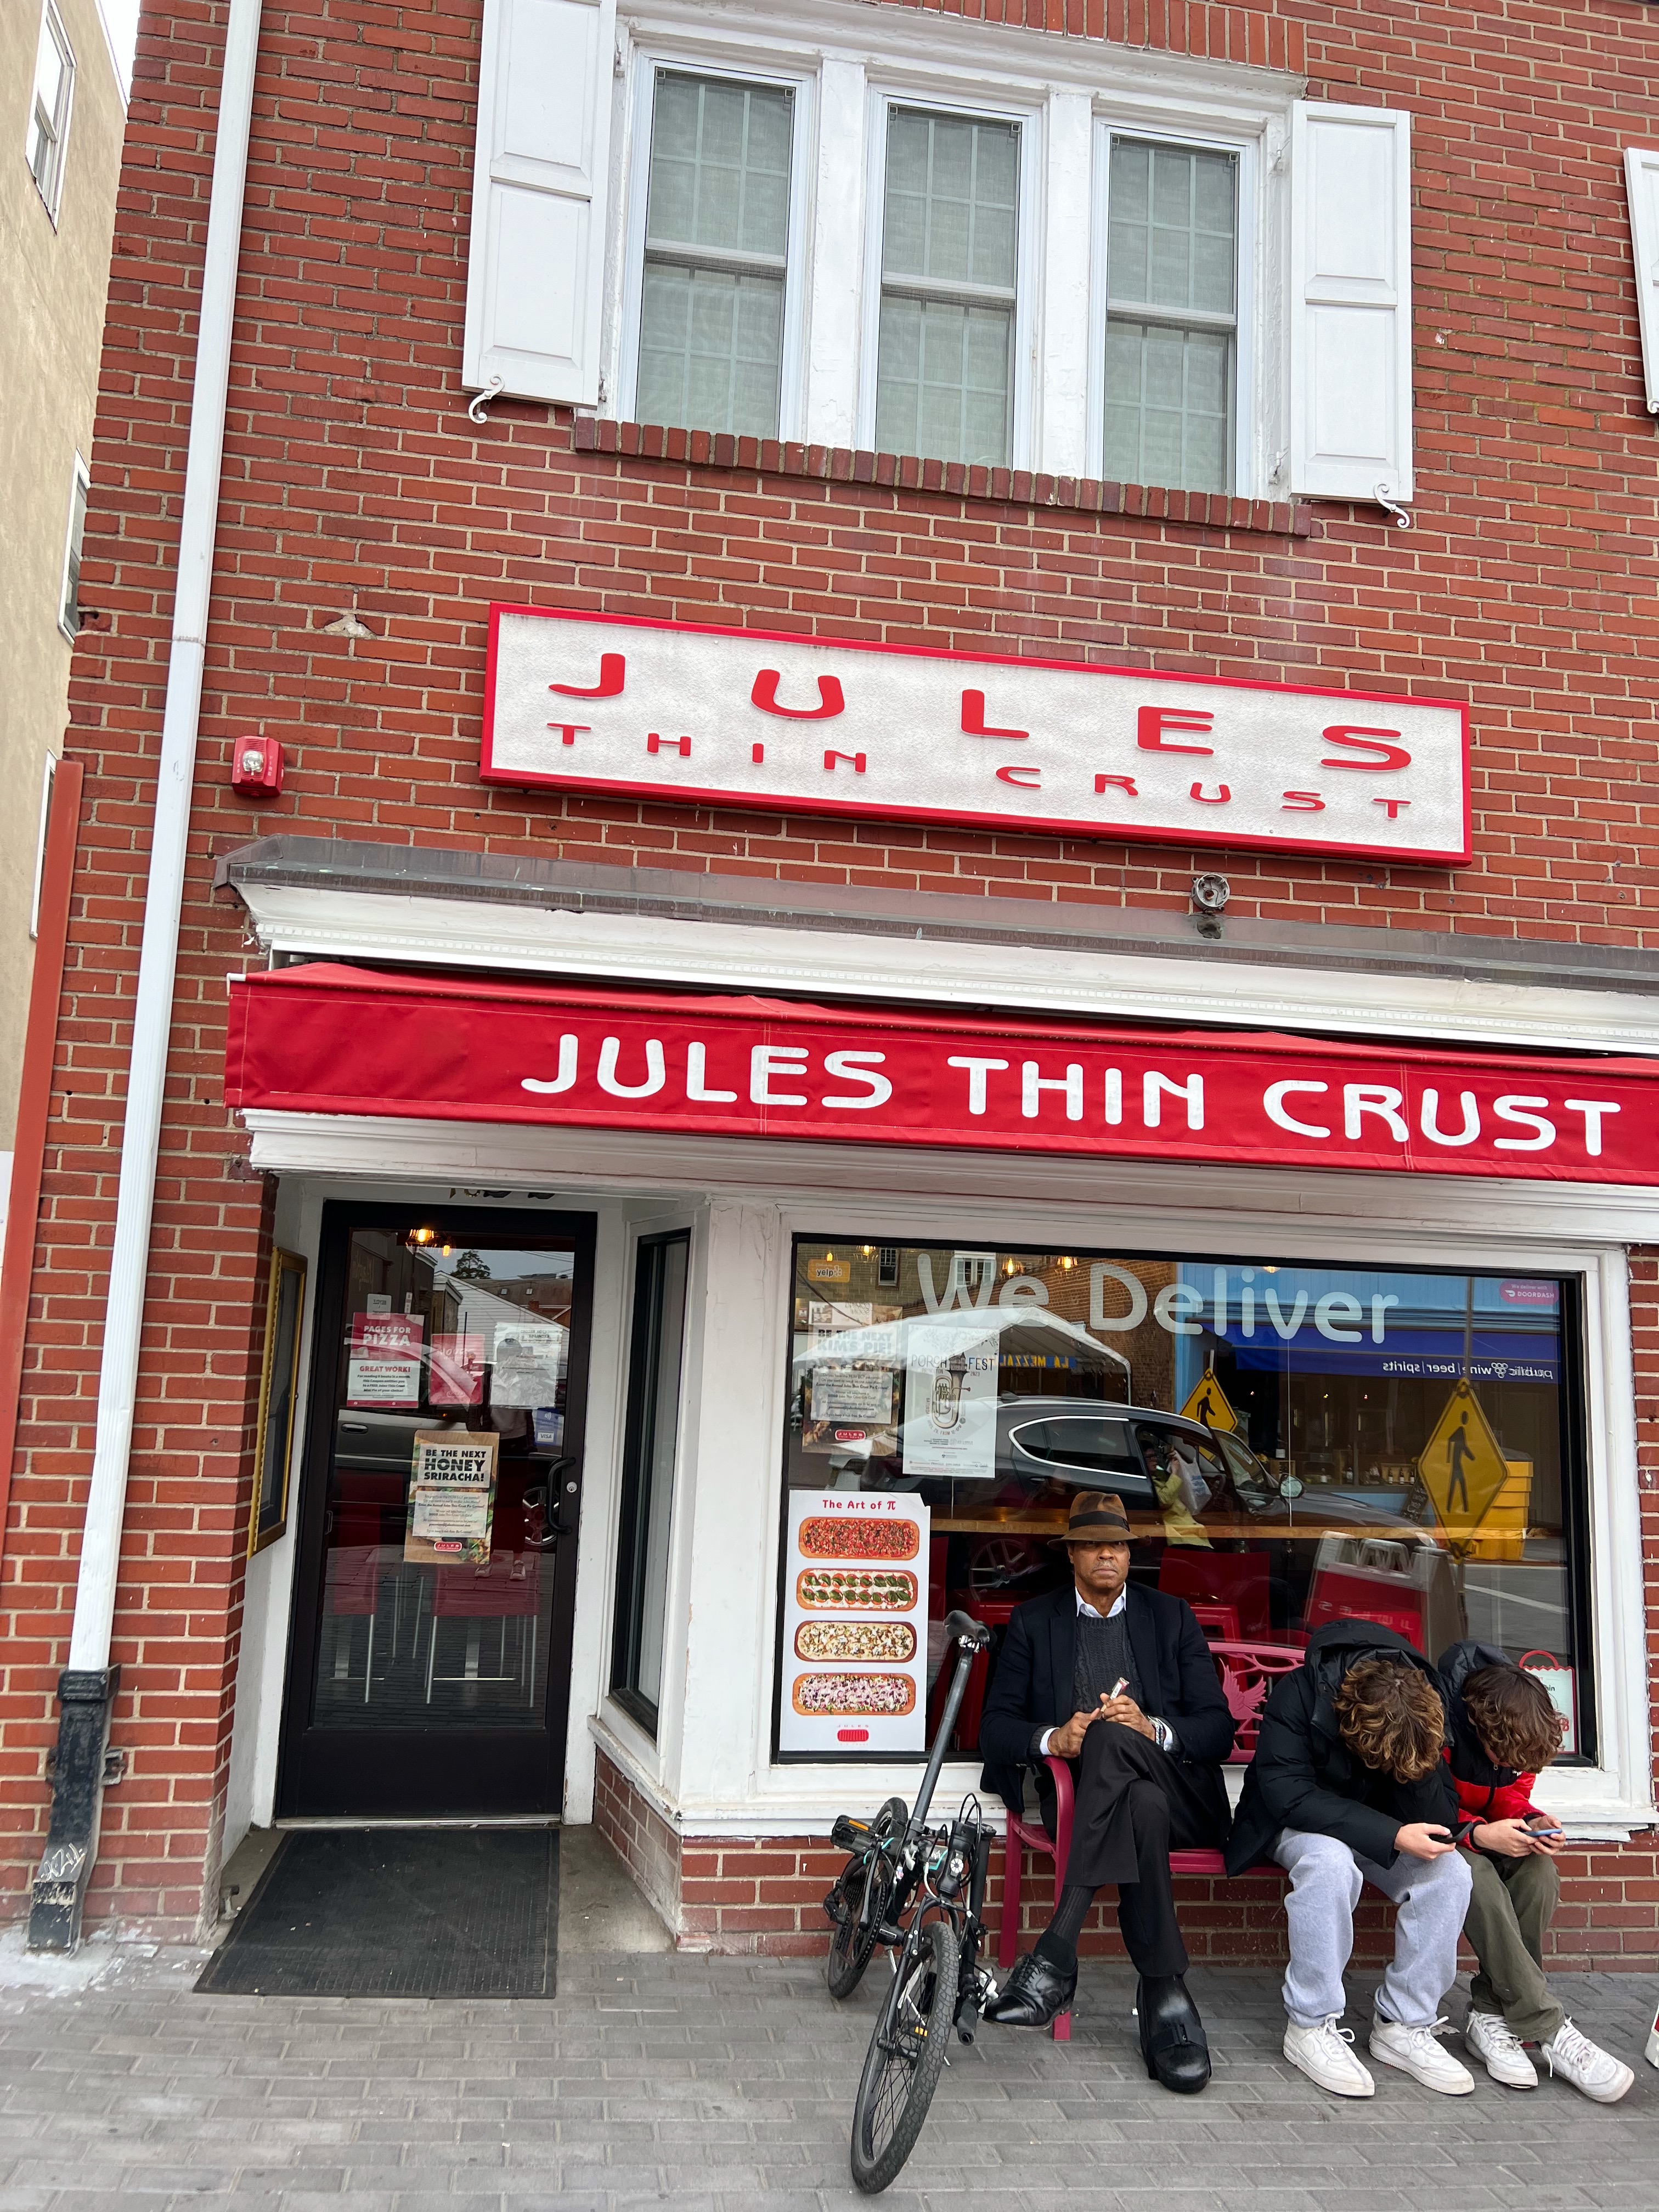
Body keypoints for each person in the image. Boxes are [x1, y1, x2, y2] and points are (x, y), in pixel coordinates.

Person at [978, 1490, 1237, 2092]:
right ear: (1072, 1555)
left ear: (1129, 1554)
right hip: (1125, 1804)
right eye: (1092, 1545)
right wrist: (1053, 1739)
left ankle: (1057, 1952)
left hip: (1184, 1798)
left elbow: (1217, 1728)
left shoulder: (1170, 1617)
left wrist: (1154, 1729)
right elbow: (997, 1726)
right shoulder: (1034, 1622)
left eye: (1116, 1545)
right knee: (1129, 1792)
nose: (1106, 1556)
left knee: (1117, 1744)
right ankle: (1165, 1992)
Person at [1227, 1619, 1474, 2099]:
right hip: (1294, 1821)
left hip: (1381, 1829)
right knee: (1330, 1861)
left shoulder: (1422, 1704)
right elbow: (1287, 1794)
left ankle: (1404, 2024)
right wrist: (1393, 1832)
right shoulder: (1300, 1693)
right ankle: (1310, 2024)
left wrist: (1419, 1762)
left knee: (1450, 1872)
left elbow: (1440, 1814)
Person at [1440, 1639, 1634, 2102]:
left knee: (1539, 1872)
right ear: (1476, 1724)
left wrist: (1533, 1822)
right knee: (1476, 1876)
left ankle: (1489, 2013)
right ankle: (1548, 2026)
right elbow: (1421, 1807)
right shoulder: (1441, 1727)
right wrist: (1477, 1836)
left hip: (1482, 1832)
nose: (1510, 1767)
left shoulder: (1519, 1734)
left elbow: (1507, 1797)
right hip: (1435, 1837)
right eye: (1503, 1759)